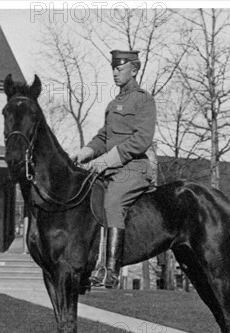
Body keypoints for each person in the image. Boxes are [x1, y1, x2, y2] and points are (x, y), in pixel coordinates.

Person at [70, 50, 156, 289]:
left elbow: (142, 139)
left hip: (135, 167)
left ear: (134, 70)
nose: (115, 72)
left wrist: (107, 160)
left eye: (120, 68)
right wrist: (86, 152)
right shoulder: (113, 104)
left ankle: (112, 269)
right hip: (111, 169)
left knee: (112, 203)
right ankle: (93, 264)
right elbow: (104, 136)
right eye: (113, 68)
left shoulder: (144, 100)